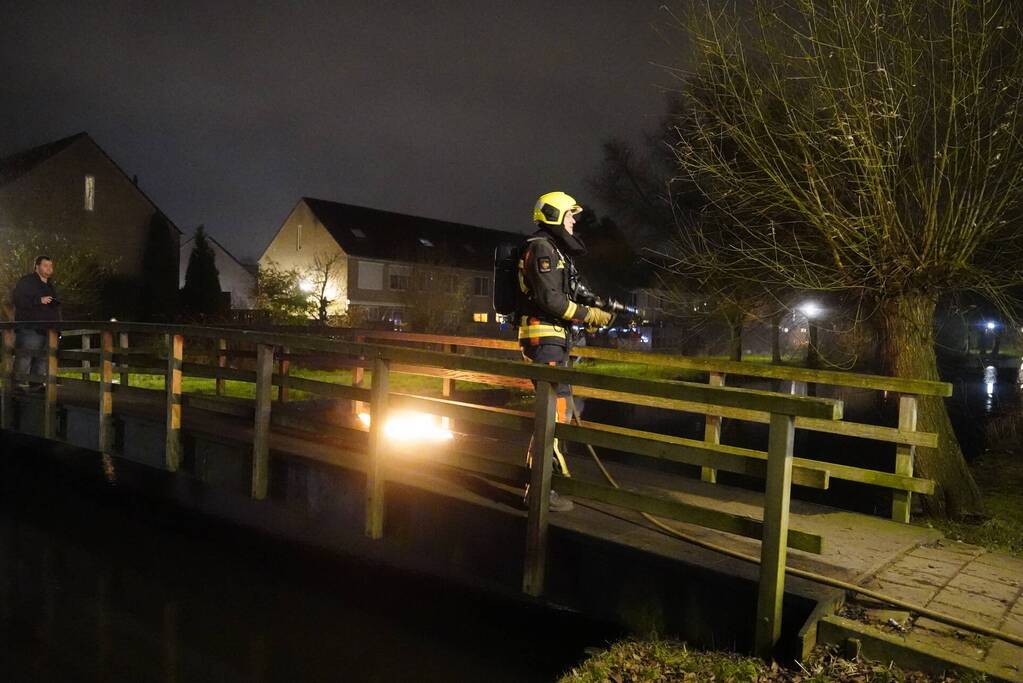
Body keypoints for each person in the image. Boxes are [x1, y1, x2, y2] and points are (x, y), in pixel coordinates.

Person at [518, 191, 613, 512]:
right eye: (570, 215)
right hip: (545, 342)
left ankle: (541, 486)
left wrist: (592, 311)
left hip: (554, 341)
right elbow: (551, 301)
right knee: (553, 417)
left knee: (558, 414)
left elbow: (565, 296)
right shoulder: (542, 249)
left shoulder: (554, 250)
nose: (574, 221)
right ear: (554, 215)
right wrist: (588, 315)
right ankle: (542, 492)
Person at [12, 255, 62, 390]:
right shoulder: (26, 282)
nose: (49, 268)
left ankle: (37, 385)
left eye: (51, 266)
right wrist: (38, 300)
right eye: (45, 265)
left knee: (42, 359)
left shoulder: (50, 285)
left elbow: (54, 309)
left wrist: (58, 328)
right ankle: (18, 386)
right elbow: (18, 300)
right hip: (30, 327)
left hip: (48, 329)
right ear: (37, 267)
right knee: (25, 356)